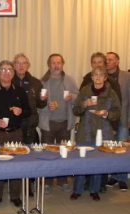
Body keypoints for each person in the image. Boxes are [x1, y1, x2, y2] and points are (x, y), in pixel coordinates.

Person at [0, 60, 31, 208]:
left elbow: (28, 111)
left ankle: (15, 196)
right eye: (3, 70)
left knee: (16, 165)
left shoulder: (20, 92)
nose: (6, 72)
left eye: (9, 70)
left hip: (16, 134)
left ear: (13, 73)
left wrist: (21, 111)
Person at [71, 67, 121, 201]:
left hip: (103, 131)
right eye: (95, 75)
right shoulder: (85, 91)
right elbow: (75, 110)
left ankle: (95, 190)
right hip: (85, 130)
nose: (98, 78)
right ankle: (77, 190)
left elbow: (117, 113)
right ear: (92, 77)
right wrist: (84, 104)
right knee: (81, 161)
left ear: (105, 78)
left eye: (101, 75)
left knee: (98, 162)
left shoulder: (112, 93)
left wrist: (107, 114)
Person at [38, 53, 78, 193]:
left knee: (64, 153)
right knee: (48, 153)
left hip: (65, 122)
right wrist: (45, 105)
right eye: (53, 63)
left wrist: (71, 97)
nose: (56, 65)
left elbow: (78, 98)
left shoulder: (69, 80)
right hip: (48, 123)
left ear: (63, 64)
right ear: (49, 65)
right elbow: (37, 103)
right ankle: (47, 182)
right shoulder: (42, 81)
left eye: (59, 62)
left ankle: (62, 181)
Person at [13, 53, 47, 196]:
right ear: (14, 65)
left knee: (31, 158)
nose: (21, 66)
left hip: (31, 127)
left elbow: (40, 104)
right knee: (16, 159)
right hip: (15, 127)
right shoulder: (9, 81)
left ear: (28, 65)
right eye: (18, 63)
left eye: (24, 63)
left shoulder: (36, 82)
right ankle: (16, 187)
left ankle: (29, 185)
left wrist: (44, 99)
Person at [105, 52, 130, 191]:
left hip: (123, 119)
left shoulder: (127, 77)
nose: (107, 61)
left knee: (122, 149)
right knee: (110, 148)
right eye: (106, 59)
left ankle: (121, 179)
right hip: (107, 120)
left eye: (110, 59)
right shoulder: (102, 76)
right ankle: (112, 176)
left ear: (117, 61)